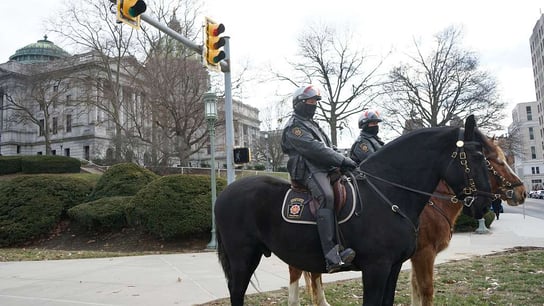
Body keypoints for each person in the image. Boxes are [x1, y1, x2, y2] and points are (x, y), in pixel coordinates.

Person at [281, 85, 358, 273]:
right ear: (299, 103)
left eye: (315, 102)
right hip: (308, 170)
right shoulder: (295, 127)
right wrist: (342, 160)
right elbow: (315, 149)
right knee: (327, 196)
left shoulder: (313, 124)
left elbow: (328, 147)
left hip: (323, 167)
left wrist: (342, 161)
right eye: (310, 101)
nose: (314, 105)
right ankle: (331, 255)